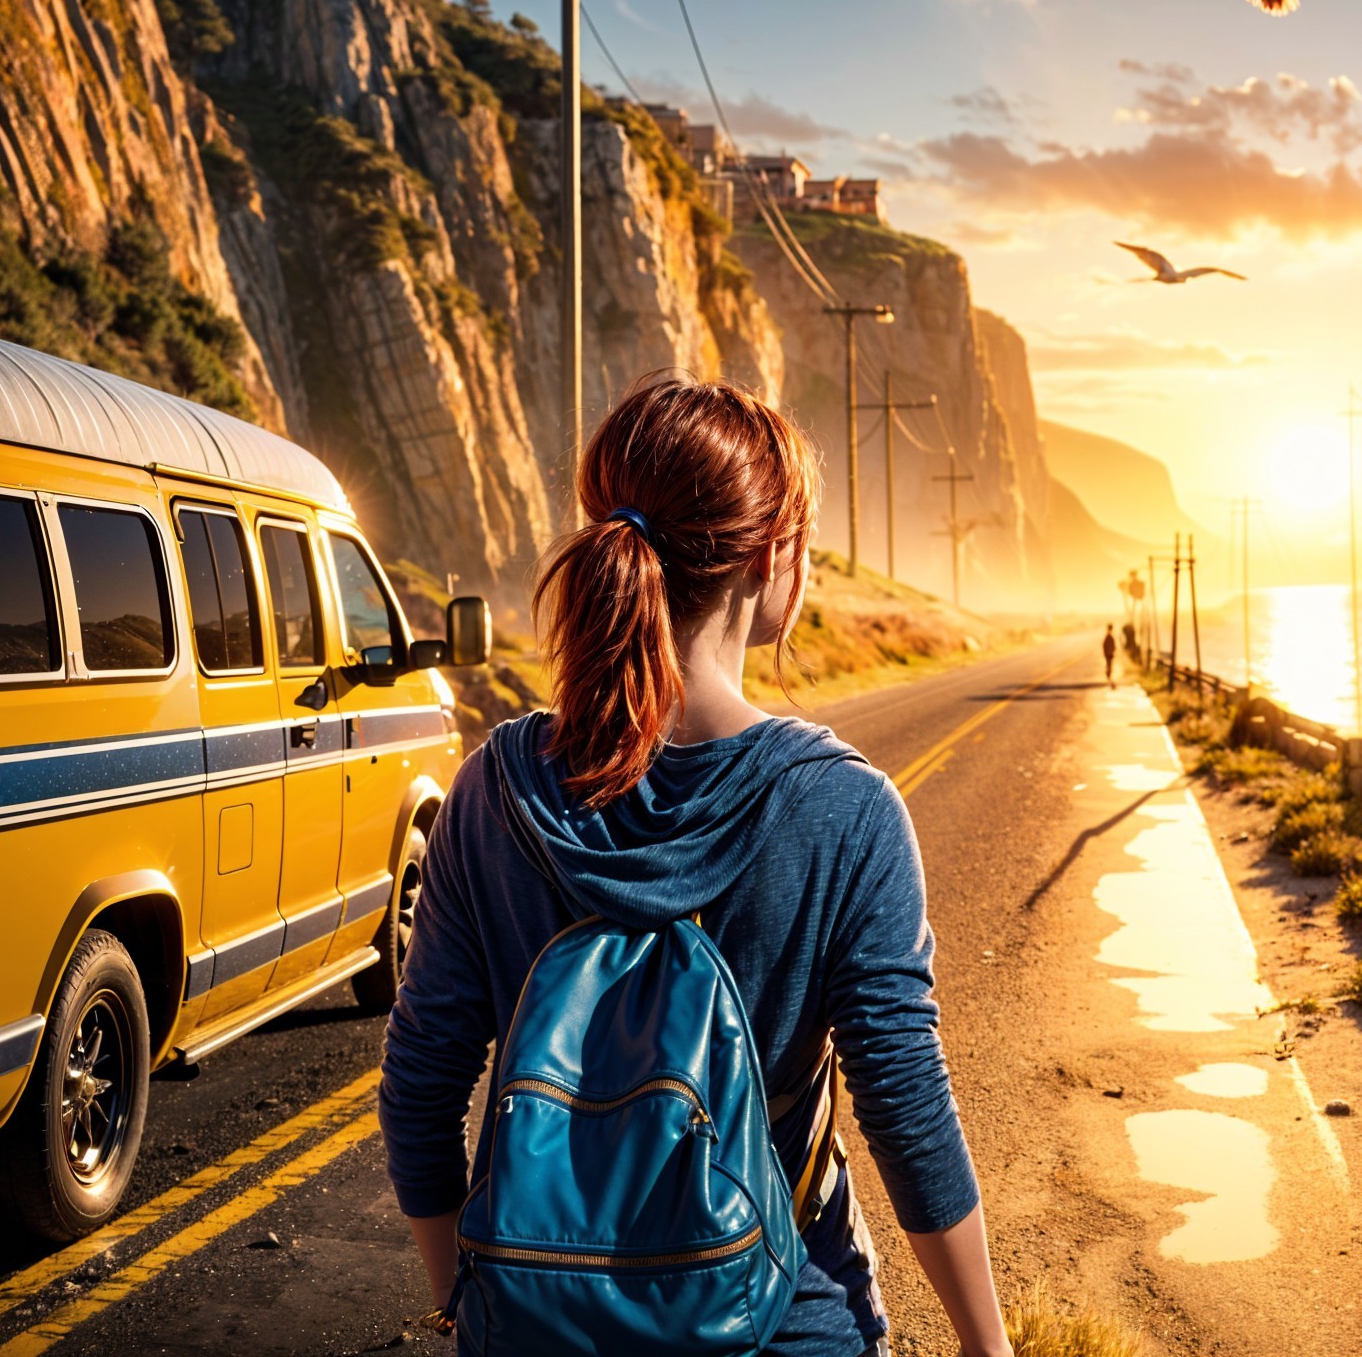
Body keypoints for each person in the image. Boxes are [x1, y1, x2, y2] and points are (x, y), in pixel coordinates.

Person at [378, 377, 1015, 1357]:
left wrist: (472, 1307)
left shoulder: (490, 793)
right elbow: (905, 1111)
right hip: (781, 1322)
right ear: (774, 558)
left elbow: (422, 1091)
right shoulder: (844, 810)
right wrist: (987, 1346)